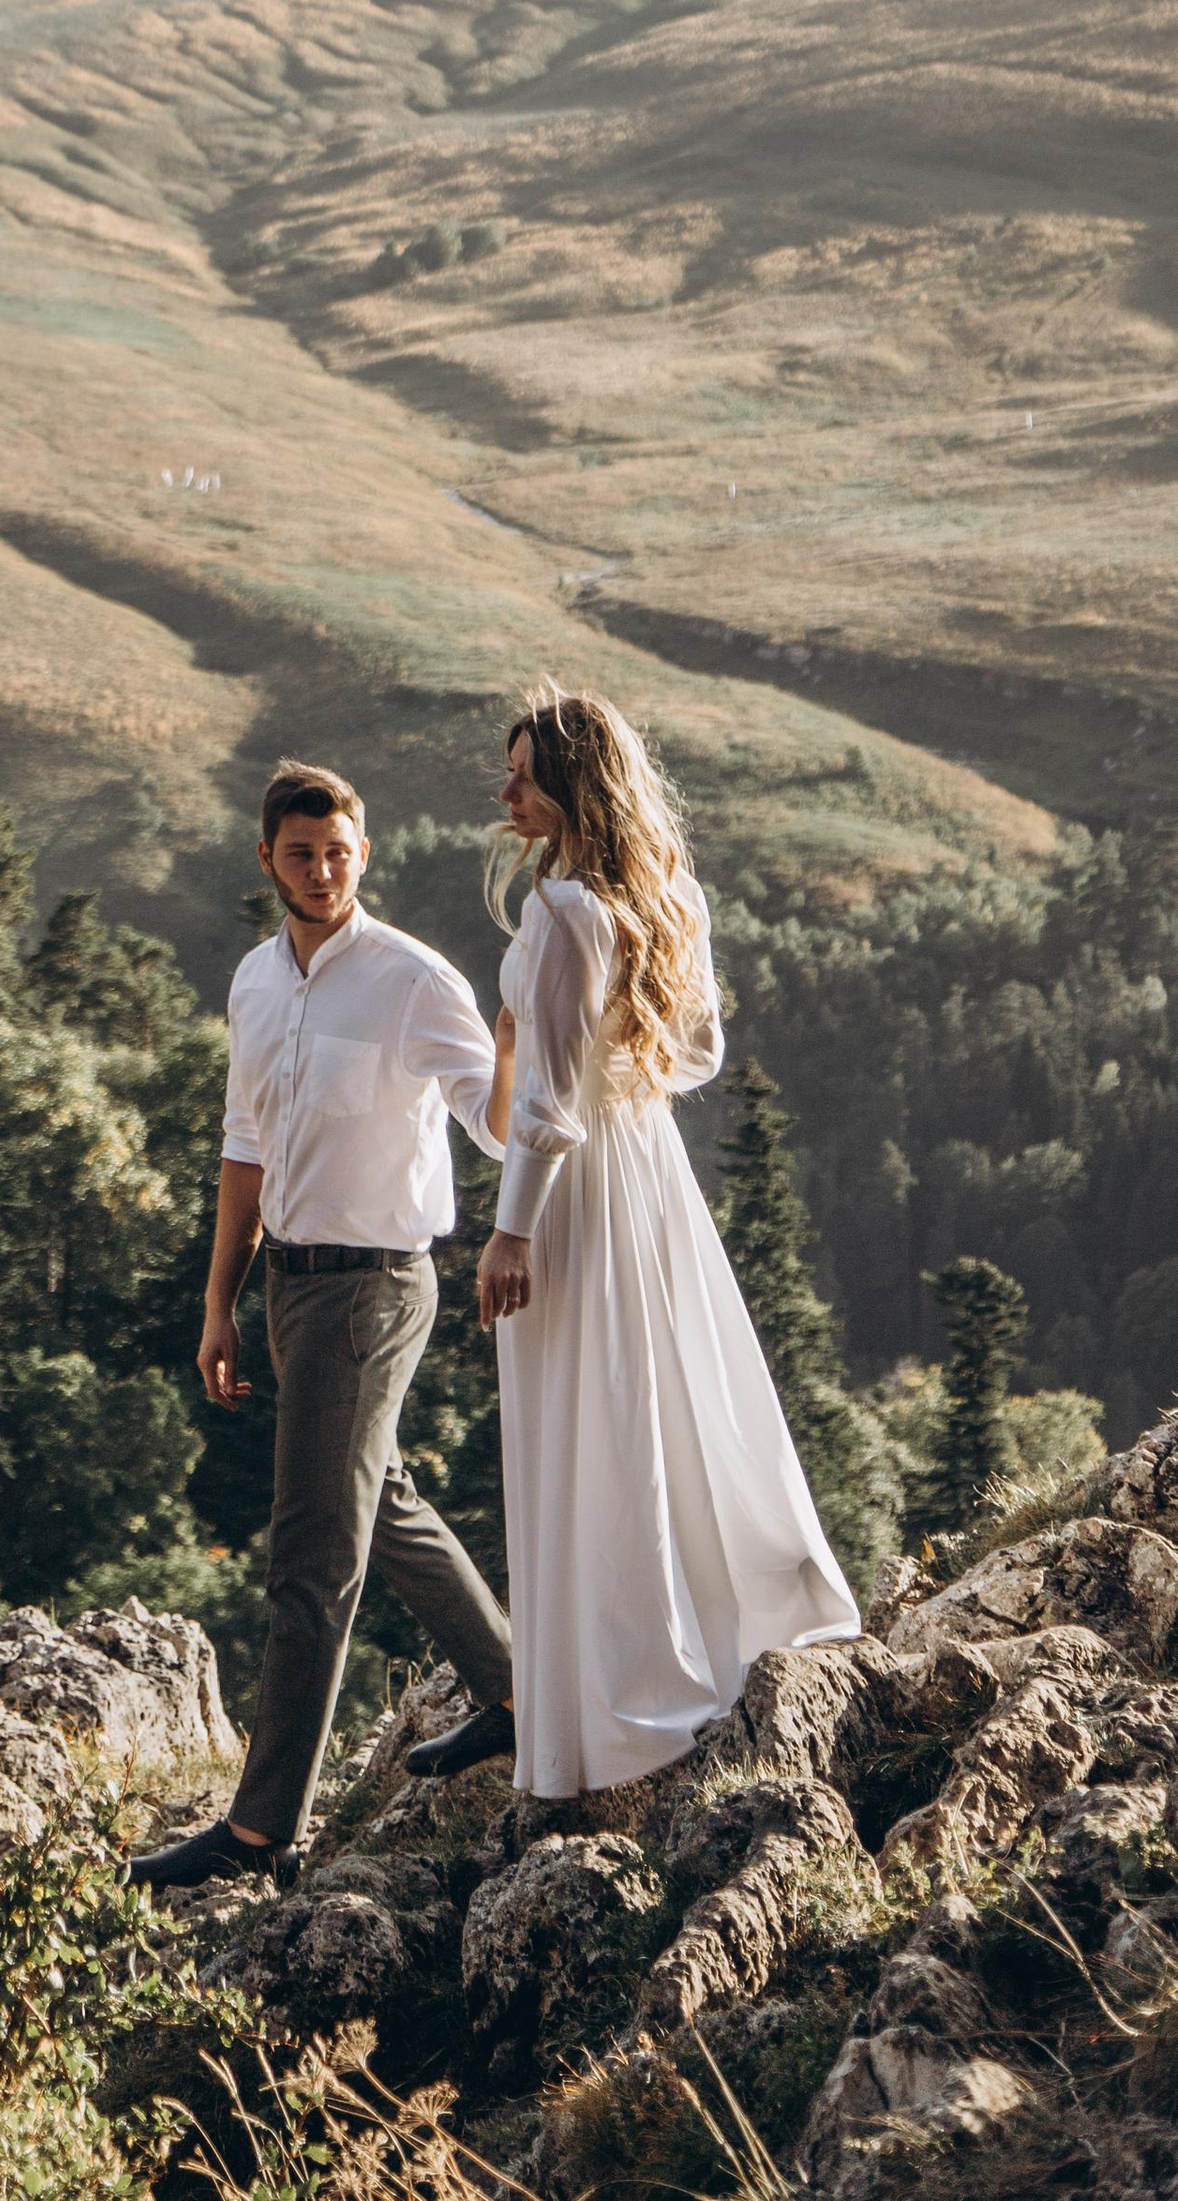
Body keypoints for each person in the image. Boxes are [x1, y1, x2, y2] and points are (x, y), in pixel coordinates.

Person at [416, 685, 858, 1800]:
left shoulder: (562, 911)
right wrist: (593, 1058)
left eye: (520, 774)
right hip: (646, 1171)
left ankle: (614, 1691)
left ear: (568, 788)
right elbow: (693, 1052)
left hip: (569, 1190)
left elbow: (548, 1110)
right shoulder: (666, 897)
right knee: (661, 1395)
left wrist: (508, 1234)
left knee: (589, 1418)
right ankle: (715, 1622)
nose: (501, 789)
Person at [129, 759, 515, 1889]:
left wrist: (518, 1046)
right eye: (300, 853)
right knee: (377, 1501)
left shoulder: (410, 980)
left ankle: (256, 1834)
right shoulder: (254, 980)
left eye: (339, 851)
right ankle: (515, 1691)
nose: (321, 869)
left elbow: (493, 1128)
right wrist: (219, 1304)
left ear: (365, 852)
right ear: (267, 860)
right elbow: (242, 1147)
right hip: (289, 1286)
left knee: (311, 1557)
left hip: (377, 1286)